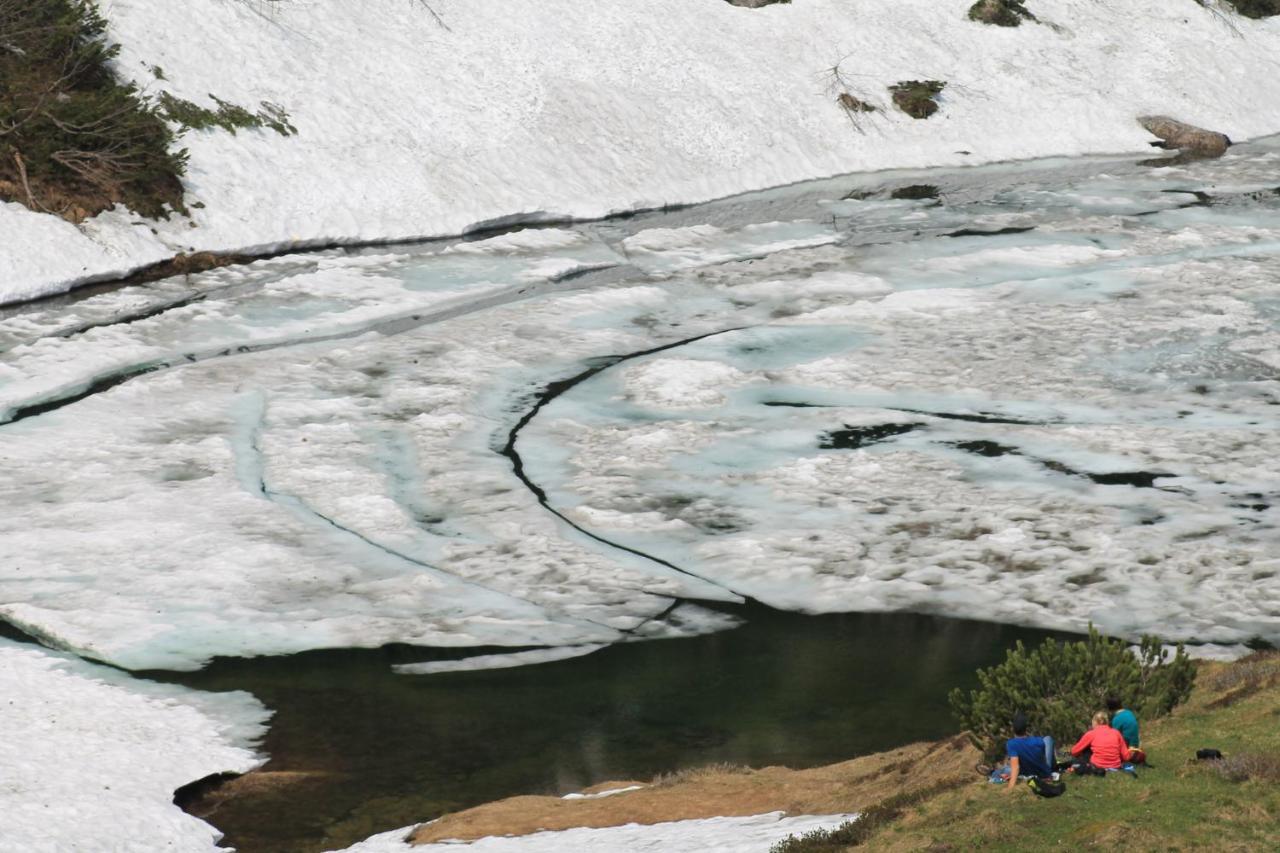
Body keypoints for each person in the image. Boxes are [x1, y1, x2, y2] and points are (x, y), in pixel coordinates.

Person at [1002, 712, 1055, 793]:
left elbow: (1016, 767)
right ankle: (1053, 766)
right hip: (1044, 774)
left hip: (1026, 773)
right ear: (1026, 729)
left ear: (1013, 729)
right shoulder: (1038, 741)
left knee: (1006, 768)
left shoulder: (1011, 743)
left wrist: (1010, 788)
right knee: (1048, 738)